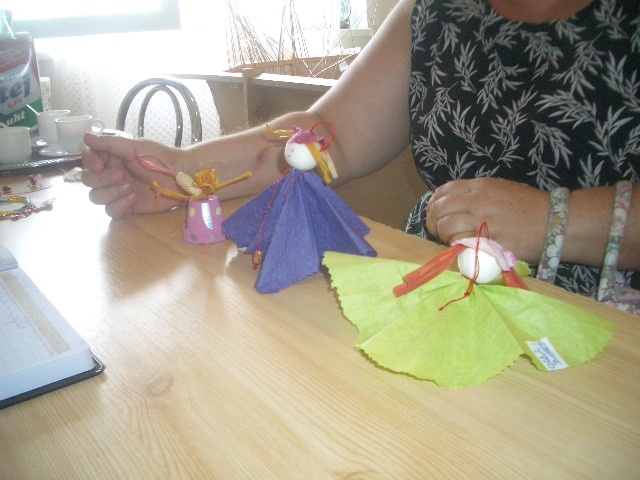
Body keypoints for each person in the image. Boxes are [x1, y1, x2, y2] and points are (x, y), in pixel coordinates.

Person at [82, 0, 640, 302]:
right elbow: (330, 137)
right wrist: (181, 172)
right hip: (442, 293)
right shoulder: (434, 12)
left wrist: (553, 220)